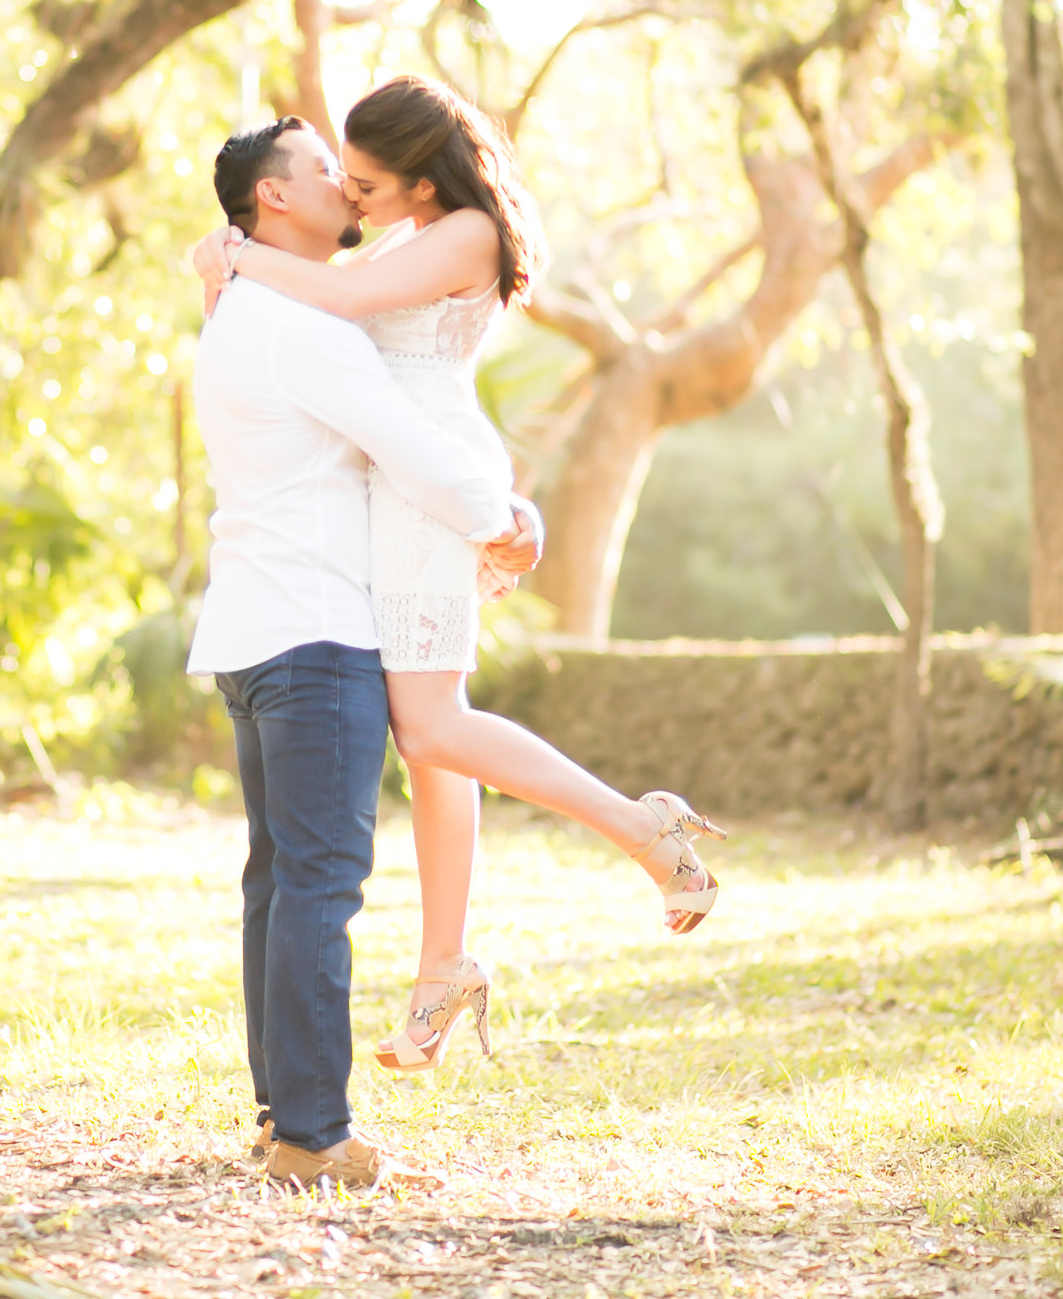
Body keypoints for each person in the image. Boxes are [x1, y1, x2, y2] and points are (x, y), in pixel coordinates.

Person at [193, 74, 725, 1078]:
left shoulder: (467, 231)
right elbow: (331, 312)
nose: (353, 197)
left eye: (365, 179)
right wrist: (231, 262)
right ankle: (444, 967)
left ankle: (638, 826)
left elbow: (341, 300)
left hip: (426, 481)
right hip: (400, 481)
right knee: (435, 735)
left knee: (431, 723)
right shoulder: (408, 233)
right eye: (341, 178)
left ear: (417, 175)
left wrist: (239, 251)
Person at [184, 113, 544, 1190]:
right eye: (322, 172)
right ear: (273, 199)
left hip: (256, 631)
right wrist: (503, 513)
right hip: (318, 634)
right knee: (319, 886)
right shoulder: (305, 323)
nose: (345, 185)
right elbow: (405, 444)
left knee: (281, 886)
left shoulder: (248, 305)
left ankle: (282, 1114)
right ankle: (312, 1134)